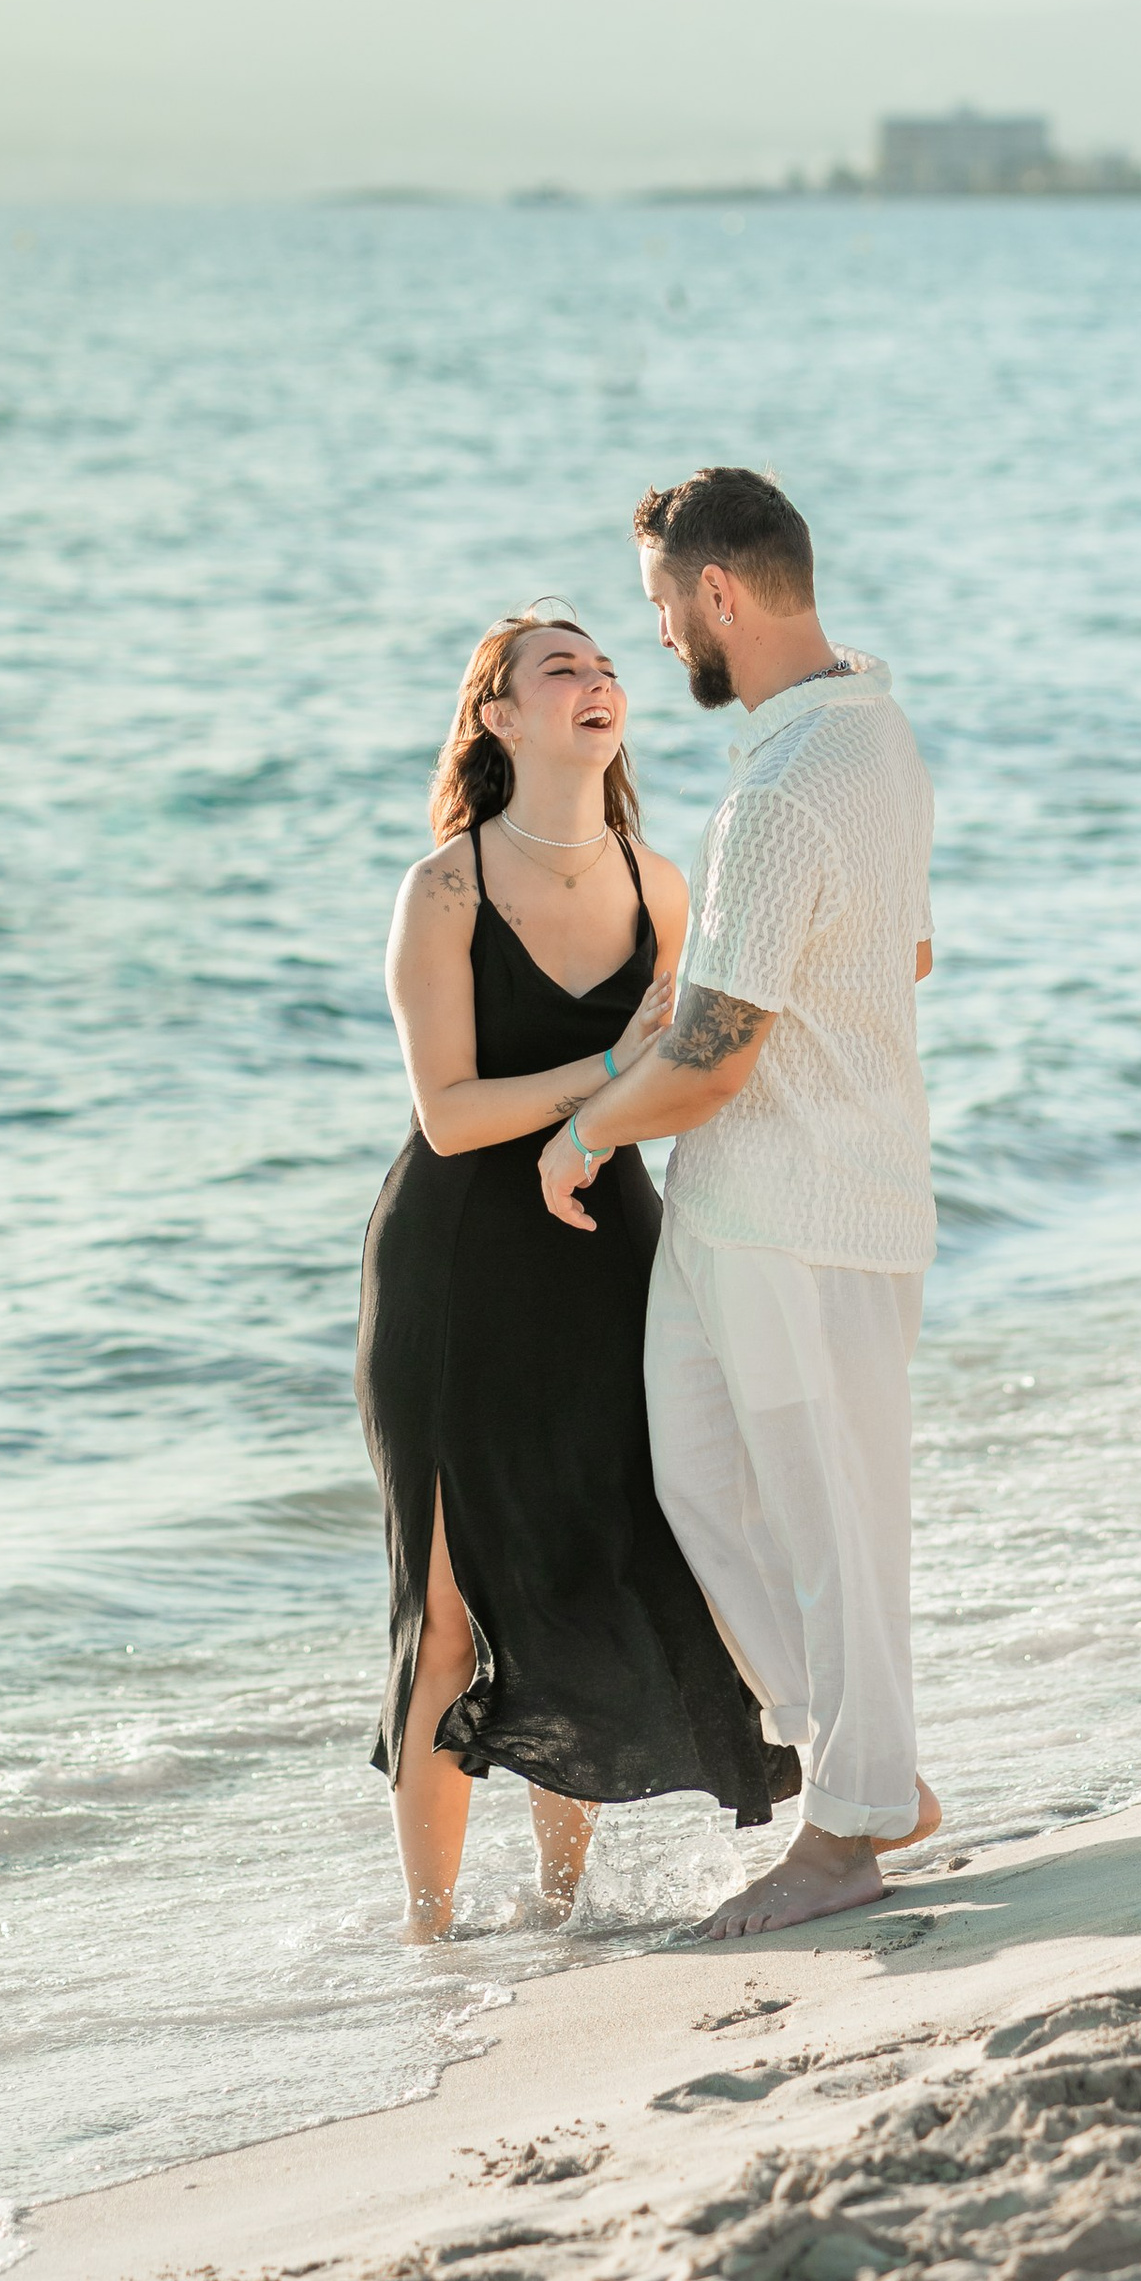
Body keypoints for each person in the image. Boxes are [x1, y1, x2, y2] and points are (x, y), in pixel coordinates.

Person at [537, 472, 939, 1940]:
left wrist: (581, 1131)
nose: (654, 641)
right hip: (754, 1210)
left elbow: (716, 1065)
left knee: (829, 1527)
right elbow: (898, 961)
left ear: (717, 593)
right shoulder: (866, 734)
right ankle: (872, 1774)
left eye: (656, 607)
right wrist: (694, 994)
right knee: (706, 1483)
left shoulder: (785, 788)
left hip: (803, 1211)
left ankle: (846, 1829)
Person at [360, 607, 800, 1941]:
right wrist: (610, 1069)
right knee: (447, 1605)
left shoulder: (662, 883)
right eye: (562, 670)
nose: (597, 682)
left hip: (610, 1252)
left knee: (586, 1568)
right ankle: (429, 1936)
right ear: (497, 718)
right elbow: (450, 1115)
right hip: (455, 1272)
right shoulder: (444, 890)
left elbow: (696, 1073)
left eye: (607, 667)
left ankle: (562, 1908)